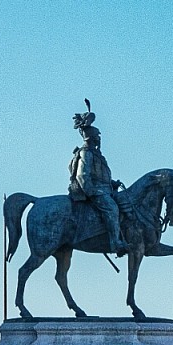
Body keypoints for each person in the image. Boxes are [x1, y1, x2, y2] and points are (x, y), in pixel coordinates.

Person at [68, 101, 125, 253]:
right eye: (97, 136)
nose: (99, 138)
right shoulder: (86, 153)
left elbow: (99, 175)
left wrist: (112, 183)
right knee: (112, 209)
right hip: (95, 192)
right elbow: (82, 175)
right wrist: (91, 192)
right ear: (92, 138)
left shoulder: (97, 154)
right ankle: (115, 242)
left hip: (105, 190)